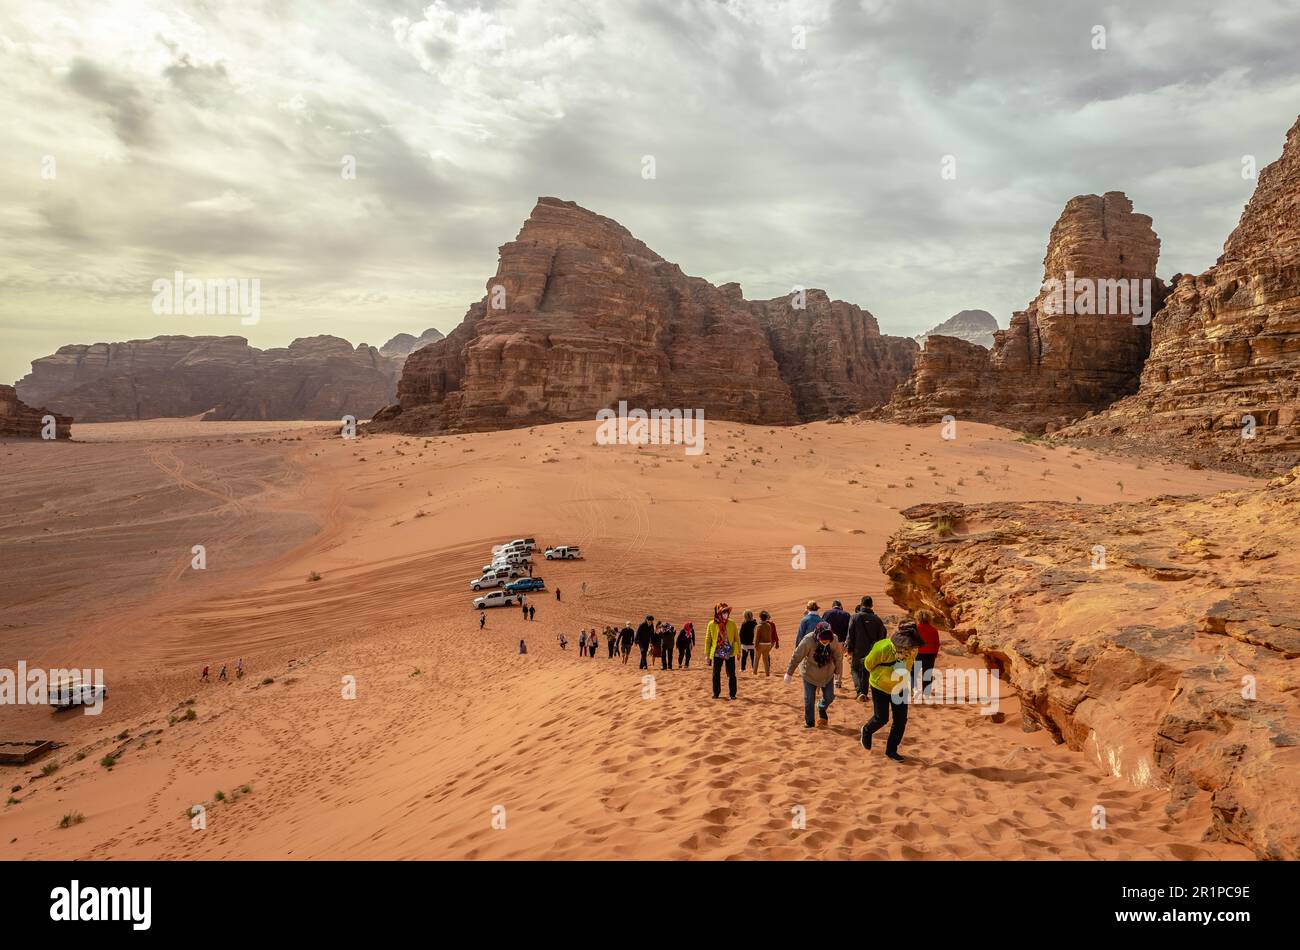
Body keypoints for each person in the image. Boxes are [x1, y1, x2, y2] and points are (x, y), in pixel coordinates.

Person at [860, 620, 925, 761]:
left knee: (900, 721)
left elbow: (909, 666)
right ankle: (866, 730)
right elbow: (868, 664)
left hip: (900, 687)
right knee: (881, 718)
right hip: (880, 686)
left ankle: (891, 751)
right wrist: (883, 676)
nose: (910, 647)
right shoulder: (883, 647)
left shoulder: (914, 648)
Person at [784, 621, 843, 728]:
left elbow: (838, 656)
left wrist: (838, 672)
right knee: (809, 698)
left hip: (827, 672)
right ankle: (810, 723)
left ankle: (821, 706)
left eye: (827, 641)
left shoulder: (834, 639)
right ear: (817, 636)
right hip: (809, 673)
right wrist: (789, 673)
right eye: (823, 640)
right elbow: (796, 656)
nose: (825, 642)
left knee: (829, 696)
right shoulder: (808, 640)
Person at [845, 596, 886, 702]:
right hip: (872, 650)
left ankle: (860, 692)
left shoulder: (855, 617)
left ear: (861, 604)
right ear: (872, 605)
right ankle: (863, 692)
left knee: (854, 669)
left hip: (858, 649)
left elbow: (850, 634)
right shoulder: (877, 620)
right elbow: (882, 636)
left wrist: (849, 648)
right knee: (866, 670)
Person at [705, 603, 740, 700]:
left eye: (727, 612)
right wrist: (707, 655)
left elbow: (737, 638)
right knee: (716, 673)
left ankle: (732, 694)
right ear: (719, 613)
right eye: (723, 612)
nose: (726, 614)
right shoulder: (711, 624)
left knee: (731, 673)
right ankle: (716, 693)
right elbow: (708, 640)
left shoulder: (732, 623)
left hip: (730, 651)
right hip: (717, 652)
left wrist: (739, 652)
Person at [822, 600, 851, 685]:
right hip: (841, 642)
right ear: (841, 606)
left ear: (832, 606)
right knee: (839, 661)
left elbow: (823, 626)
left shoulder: (827, 613)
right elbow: (849, 629)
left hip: (828, 641)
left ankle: (827, 680)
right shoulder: (846, 614)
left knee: (828, 660)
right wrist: (847, 642)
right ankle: (837, 681)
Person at [915, 610, 941, 698]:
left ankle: (914, 691)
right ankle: (926, 693)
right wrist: (935, 653)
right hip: (930, 654)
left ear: (918, 617)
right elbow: (937, 643)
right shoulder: (934, 630)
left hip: (918, 654)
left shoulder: (915, 629)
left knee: (914, 673)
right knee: (927, 673)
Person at [754, 610, 778, 675]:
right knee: (766, 660)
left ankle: (754, 673)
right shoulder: (769, 625)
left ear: (760, 618)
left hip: (761, 644)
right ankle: (767, 673)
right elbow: (770, 635)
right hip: (768, 644)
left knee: (757, 659)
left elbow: (757, 637)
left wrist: (755, 646)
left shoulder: (759, 626)